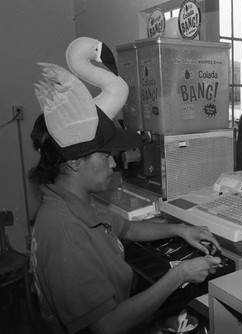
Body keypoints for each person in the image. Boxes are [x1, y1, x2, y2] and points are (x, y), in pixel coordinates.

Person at [29, 37, 221, 334]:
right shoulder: (65, 232)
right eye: (105, 156)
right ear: (74, 161)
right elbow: (105, 325)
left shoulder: (71, 200)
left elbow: (127, 228)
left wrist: (180, 229)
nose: (114, 164)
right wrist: (178, 274)